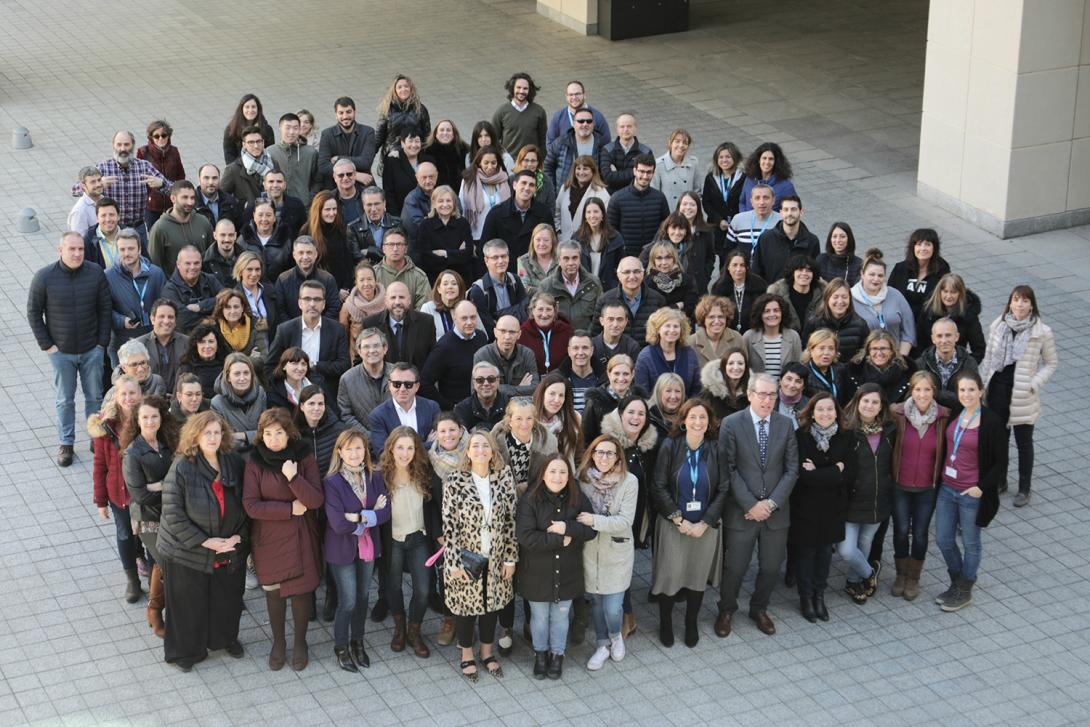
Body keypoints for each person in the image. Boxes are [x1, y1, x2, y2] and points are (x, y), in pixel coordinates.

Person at [159, 411, 248, 672]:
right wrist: (206, 542)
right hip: (187, 550)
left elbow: (247, 500)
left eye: (217, 432)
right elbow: (173, 514)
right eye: (207, 432)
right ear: (195, 436)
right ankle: (185, 651)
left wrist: (237, 536)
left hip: (229, 546)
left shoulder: (233, 461)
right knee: (187, 603)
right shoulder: (182, 466)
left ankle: (224, 638)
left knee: (227, 598)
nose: (212, 437)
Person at [715, 373, 799, 639]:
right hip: (743, 512)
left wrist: (771, 503)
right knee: (735, 567)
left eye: (772, 395)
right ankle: (726, 610)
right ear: (749, 395)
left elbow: (792, 469)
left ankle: (759, 608)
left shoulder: (785, 425)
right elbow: (727, 468)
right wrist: (751, 504)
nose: (767, 400)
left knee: (771, 567)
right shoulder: (731, 423)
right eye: (762, 394)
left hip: (775, 512)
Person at [243, 408, 324, 671]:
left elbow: (314, 500)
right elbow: (251, 505)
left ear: (289, 433)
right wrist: (289, 509)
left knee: (300, 592)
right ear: (261, 435)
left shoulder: (303, 456)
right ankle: (278, 643)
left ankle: (301, 642)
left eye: (279, 432)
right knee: (274, 593)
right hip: (269, 537)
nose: (273, 438)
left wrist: (293, 477)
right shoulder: (254, 461)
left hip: (300, 536)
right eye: (268, 433)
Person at [27, 231, 112, 466]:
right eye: (72, 249)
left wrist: (101, 343)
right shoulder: (44, 277)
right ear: (60, 250)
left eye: (80, 249)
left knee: (94, 397)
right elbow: (34, 313)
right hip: (61, 353)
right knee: (64, 400)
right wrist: (48, 346)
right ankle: (66, 443)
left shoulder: (95, 272)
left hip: (91, 350)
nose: (77, 254)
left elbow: (105, 308)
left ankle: (96, 437)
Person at [442, 430, 519, 682]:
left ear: (493, 451)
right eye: (475, 446)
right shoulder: (454, 480)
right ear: (467, 451)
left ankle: (487, 652)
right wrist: (453, 563)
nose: (480, 451)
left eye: (485, 446)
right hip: (466, 558)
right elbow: (449, 525)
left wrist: (510, 557)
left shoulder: (504, 476)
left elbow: (511, 520)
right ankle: (466, 654)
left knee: (491, 607)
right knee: (466, 608)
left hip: (496, 557)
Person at [650, 399, 728, 647]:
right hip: (674, 524)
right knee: (669, 575)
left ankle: (691, 622)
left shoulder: (716, 448)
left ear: (710, 422)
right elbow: (658, 485)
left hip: (704, 526)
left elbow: (724, 488)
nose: (697, 422)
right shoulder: (670, 446)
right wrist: (677, 518)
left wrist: (705, 522)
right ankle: (665, 622)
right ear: (683, 420)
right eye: (692, 417)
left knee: (696, 575)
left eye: (702, 417)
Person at [932, 371, 1007, 611]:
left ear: (981, 392)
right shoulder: (956, 412)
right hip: (947, 487)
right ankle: (957, 581)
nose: (966, 394)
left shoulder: (991, 422)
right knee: (943, 539)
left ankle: (965, 588)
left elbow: (1000, 462)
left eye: (971, 390)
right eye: (962, 390)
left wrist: (981, 488)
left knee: (971, 543)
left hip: (970, 493)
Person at [516, 454, 596, 679]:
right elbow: (525, 536)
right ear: (543, 473)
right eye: (552, 471)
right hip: (537, 572)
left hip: (568, 570)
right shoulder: (530, 499)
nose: (557, 476)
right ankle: (540, 654)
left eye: (562, 472)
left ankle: (557, 655)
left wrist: (566, 527)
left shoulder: (577, 496)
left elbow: (591, 530)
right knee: (540, 617)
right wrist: (559, 540)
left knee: (561, 616)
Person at [979, 285, 1057, 508]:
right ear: (1010, 302)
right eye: (1016, 300)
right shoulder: (999, 326)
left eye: (1025, 301)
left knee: (1024, 443)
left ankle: (1024, 488)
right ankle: (1000, 481)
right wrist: (982, 385)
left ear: (1032, 304)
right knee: (999, 441)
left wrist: (1034, 384)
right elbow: (989, 356)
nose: (1020, 305)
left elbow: (1051, 363)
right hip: (996, 393)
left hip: (1023, 395)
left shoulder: (1042, 332)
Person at [323, 428, 390, 672]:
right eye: (349, 449)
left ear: (365, 451)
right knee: (348, 601)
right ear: (340, 452)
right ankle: (341, 646)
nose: (354, 453)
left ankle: (357, 641)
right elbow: (338, 523)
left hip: (368, 549)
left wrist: (358, 516)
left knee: (363, 598)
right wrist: (369, 515)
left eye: (359, 448)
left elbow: (386, 512)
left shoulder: (375, 476)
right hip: (342, 550)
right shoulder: (332, 482)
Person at [789, 392, 853, 622]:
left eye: (829, 409)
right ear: (812, 413)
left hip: (833, 507)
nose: (825, 413)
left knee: (825, 553)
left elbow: (850, 474)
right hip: (805, 506)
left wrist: (817, 471)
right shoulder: (801, 436)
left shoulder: (847, 437)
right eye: (820, 409)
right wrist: (835, 469)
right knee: (806, 553)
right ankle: (805, 597)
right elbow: (802, 476)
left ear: (836, 411)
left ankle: (819, 595)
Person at [576, 434, 637, 670]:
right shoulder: (582, 480)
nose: (604, 457)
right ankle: (602, 645)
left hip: (617, 551)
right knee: (597, 604)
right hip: (590, 551)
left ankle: (615, 636)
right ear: (592, 454)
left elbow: (624, 521)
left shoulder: (629, 481)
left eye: (610, 453)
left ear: (617, 457)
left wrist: (594, 520)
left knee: (613, 607)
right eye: (599, 452)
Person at [379, 427, 440, 658]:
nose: (405, 453)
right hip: (393, 540)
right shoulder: (381, 476)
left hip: (419, 539)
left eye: (410, 448)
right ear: (391, 448)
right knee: (393, 587)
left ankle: (415, 630)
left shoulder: (423, 472)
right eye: (400, 447)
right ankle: (399, 629)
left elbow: (433, 505)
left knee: (423, 590)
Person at [889, 371, 949, 601]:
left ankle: (914, 578)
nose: (922, 394)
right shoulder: (898, 414)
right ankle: (901, 574)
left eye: (927, 389)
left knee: (921, 534)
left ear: (934, 392)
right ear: (911, 391)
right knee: (902, 530)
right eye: (917, 389)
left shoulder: (944, 418)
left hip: (927, 487)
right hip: (900, 485)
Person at [122, 395, 178, 637]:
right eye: (145, 417)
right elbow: (141, 495)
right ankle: (155, 609)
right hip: (148, 518)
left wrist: (158, 485)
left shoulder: (167, 442)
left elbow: (179, 476)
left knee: (161, 563)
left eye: (154, 416)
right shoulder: (133, 453)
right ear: (137, 419)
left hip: (172, 514)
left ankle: (156, 610)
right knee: (166, 561)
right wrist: (168, 488)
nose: (150, 421)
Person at [89, 376, 145, 602]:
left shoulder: (150, 417)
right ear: (116, 396)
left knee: (147, 534)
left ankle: (153, 574)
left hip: (144, 492)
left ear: (140, 394)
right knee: (125, 535)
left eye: (133, 393)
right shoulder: (106, 425)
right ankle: (133, 581)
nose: (129, 398)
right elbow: (100, 465)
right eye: (124, 394)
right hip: (119, 492)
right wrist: (100, 501)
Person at [838, 383, 896, 604]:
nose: (869, 406)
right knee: (846, 549)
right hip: (851, 501)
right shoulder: (846, 429)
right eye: (865, 401)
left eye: (875, 402)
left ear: (881, 406)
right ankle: (869, 573)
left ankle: (853, 582)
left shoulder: (890, 429)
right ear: (857, 402)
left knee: (865, 543)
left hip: (878, 498)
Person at [71, 130, 173, 244]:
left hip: (138, 228)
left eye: (126, 144)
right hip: (114, 229)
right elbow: (75, 190)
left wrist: (162, 184)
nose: (122, 149)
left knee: (143, 259)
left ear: (133, 146)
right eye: (119, 144)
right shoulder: (103, 168)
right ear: (113, 146)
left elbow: (175, 190)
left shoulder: (144, 166)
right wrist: (98, 184)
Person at [265, 279, 351, 406]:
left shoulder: (337, 329)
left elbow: (344, 365)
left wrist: (314, 365)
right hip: (291, 398)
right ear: (300, 303)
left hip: (327, 397)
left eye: (317, 299)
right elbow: (269, 367)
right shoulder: (285, 330)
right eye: (307, 299)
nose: (312, 304)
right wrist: (286, 391)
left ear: (324, 304)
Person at [105, 229, 166, 360]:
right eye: (122, 249)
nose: (126, 253)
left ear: (139, 249)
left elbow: (165, 304)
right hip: (122, 342)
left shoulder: (156, 274)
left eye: (131, 249)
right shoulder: (107, 276)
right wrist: (121, 321)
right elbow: (103, 309)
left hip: (152, 341)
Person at [421, 301, 489, 409]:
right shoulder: (444, 347)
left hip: (482, 405)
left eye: (473, 317)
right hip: (457, 410)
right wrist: (450, 407)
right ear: (454, 318)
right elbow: (425, 383)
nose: (469, 322)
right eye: (464, 318)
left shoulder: (481, 338)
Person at [851, 248, 916, 356]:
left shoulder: (895, 295)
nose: (876, 279)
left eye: (880, 275)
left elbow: (909, 331)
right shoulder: (851, 299)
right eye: (871, 274)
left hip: (897, 357)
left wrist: (901, 358)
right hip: (867, 360)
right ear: (862, 274)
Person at [481, 170, 554, 262]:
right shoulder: (496, 213)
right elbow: (484, 248)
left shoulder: (544, 212)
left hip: (535, 268)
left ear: (535, 189)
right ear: (514, 185)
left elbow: (552, 243)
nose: (527, 188)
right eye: (523, 183)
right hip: (505, 269)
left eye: (531, 185)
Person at [368, 364, 441, 456]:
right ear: (390, 385)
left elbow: (440, 443)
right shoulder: (377, 416)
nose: (402, 389)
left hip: (428, 467)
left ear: (417, 386)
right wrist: (425, 445)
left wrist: (397, 449)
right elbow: (383, 453)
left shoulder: (432, 408)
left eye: (408, 385)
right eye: (397, 384)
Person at [361, 281, 436, 370]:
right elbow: (362, 358)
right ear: (386, 301)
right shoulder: (370, 323)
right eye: (393, 297)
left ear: (409, 300)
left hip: (418, 381)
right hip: (382, 382)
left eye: (402, 297)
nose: (397, 302)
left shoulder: (426, 322)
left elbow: (433, 358)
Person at [591, 257, 667, 344]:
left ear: (643, 274)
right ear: (619, 276)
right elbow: (595, 334)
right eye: (627, 272)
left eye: (636, 271)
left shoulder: (658, 300)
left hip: (648, 355)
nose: (632, 276)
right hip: (615, 355)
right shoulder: (605, 300)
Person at [607, 154, 670, 256]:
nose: (645, 176)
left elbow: (666, 228)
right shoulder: (617, 198)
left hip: (653, 256)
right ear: (634, 171)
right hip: (626, 257)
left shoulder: (660, 198)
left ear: (653, 173)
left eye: (649, 172)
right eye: (641, 171)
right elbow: (610, 232)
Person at [918, 273, 986, 363]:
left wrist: (964, 366)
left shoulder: (968, 315)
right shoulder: (928, 310)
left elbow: (979, 350)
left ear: (960, 293)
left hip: (956, 367)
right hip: (930, 364)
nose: (949, 296)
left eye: (953, 292)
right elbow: (919, 339)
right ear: (939, 292)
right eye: (945, 291)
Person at [302, 191, 361, 294]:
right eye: (327, 209)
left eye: (334, 209)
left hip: (345, 290)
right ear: (318, 210)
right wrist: (335, 290)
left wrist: (346, 287)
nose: (332, 213)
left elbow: (347, 261)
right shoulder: (307, 232)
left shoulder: (340, 228)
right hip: (321, 290)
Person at [887, 228, 951, 323]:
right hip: (902, 321)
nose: (923, 248)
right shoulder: (901, 268)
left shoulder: (942, 270)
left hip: (928, 324)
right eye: (919, 244)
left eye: (928, 244)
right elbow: (890, 294)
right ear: (913, 247)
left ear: (934, 248)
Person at [539, 240, 604, 332]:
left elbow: (600, 315)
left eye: (574, 258)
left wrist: (588, 337)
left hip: (587, 340)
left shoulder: (593, 283)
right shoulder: (546, 286)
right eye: (566, 258)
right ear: (559, 261)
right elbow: (540, 317)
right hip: (558, 339)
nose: (571, 263)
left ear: (580, 259)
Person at [634, 308, 700, 396]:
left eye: (676, 326)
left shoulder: (689, 354)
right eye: (667, 326)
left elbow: (696, 388)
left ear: (681, 330)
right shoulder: (645, 357)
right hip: (654, 408)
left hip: (685, 408)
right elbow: (642, 392)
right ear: (657, 329)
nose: (672, 330)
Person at [916, 318, 980, 409]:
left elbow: (971, 397)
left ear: (957, 337)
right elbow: (916, 396)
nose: (944, 340)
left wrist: (935, 393)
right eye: (939, 336)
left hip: (960, 413)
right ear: (933, 339)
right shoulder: (921, 363)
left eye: (948, 335)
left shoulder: (969, 362)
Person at [273, 236, 341, 321]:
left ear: (316, 254)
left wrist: (316, 326)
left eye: (309, 253)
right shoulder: (283, 279)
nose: (305, 257)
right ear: (294, 255)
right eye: (301, 253)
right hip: (291, 332)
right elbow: (279, 310)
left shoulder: (328, 279)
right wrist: (293, 328)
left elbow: (334, 308)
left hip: (321, 330)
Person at [802, 278, 870, 363]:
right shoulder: (814, 322)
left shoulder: (860, 324)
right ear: (827, 298)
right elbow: (805, 349)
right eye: (835, 297)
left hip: (849, 374)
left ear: (850, 299)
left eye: (844, 297)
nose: (840, 301)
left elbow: (866, 352)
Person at [544, 107, 610, 195]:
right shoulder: (560, 143)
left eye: (589, 121)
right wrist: (553, 191)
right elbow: (547, 167)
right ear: (574, 124)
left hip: (594, 195)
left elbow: (607, 172)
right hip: (566, 194)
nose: (585, 124)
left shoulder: (602, 144)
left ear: (593, 124)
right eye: (581, 121)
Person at [468, 239, 529, 331]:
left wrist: (497, 315)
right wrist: (514, 312)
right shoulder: (478, 290)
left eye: (503, 256)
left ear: (508, 257)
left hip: (518, 334)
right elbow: (487, 328)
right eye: (495, 257)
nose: (500, 261)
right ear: (486, 260)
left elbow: (525, 312)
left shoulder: (515, 280)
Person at [415, 185, 474, 282]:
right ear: (434, 203)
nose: (445, 204)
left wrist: (445, 253)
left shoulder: (463, 223)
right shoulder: (425, 225)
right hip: (435, 279)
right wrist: (457, 254)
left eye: (448, 201)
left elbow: (468, 253)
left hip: (461, 278)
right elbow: (425, 257)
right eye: (440, 201)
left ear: (454, 203)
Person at [581, 354, 644, 445]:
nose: (621, 378)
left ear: (632, 374)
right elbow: (585, 439)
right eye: (616, 373)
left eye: (626, 374)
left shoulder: (640, 400)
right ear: (608, 373)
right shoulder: (595, 401)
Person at [211, 353, 267, 451]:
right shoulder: (217, 403)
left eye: (246, 373)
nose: (242, 378)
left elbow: (267, 432)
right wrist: (255, 436)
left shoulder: (260, 393)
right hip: (234, 458)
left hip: (262, 454)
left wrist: (243, 435)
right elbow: (223, 440)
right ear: (228, 377)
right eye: (237, 374)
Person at [317, 96, 377, 189]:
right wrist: (355, 175)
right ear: (336, 115)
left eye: (348, 112)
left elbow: (366, 162)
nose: (345, 116)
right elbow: (323, 166)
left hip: (363, 187)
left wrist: (338, 158)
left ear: (355, 112)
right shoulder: (327, 134)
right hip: (336, 188)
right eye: (341, 113)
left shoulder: (368, 132)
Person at [337, 329, 392, 428]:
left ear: (385, 348)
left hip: (397, 439)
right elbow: (346, 415)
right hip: (364, 441)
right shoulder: (347, 379)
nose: (371, 350)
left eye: (376, 345)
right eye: (366, 347)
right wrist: (370, 438)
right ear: (359, 351)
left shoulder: (398, 374)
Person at [162, 246, 224, 334]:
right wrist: (207, 320)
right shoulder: (170, 290)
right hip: (186, 340)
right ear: (178, 264)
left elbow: (227, 298)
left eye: (196, 263)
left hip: (215, 336)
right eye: (188, 263)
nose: (192, 267)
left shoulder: (210, 279)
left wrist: (201, 306)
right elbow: (180, 319)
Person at [137, 120, 186, 231]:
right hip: (152, 206)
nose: (161, 139)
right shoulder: (143, 152)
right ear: (151, 138)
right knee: (153, 234)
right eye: (156, 136)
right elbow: (139, 177)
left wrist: (176, 192)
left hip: (171, 203)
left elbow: (181, 176)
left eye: (164, 135)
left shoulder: (174, 151)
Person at [474, 315, 540, 397]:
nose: (507, 337)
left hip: (521, 407)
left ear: (519, 335)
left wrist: (500, 389)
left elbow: (535, 388)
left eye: (512, 332)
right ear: (495, 332)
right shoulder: (482, 355)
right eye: (503, 331)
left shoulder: (527, 354)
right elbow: (478, 391)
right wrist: (519, 388)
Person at [844, 329, 916, 404]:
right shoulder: (855, 370)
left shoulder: (908, 370)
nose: (879, 353)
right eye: (874, 349)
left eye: (883, 348)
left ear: (892, 351)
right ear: (868, 351)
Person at [702, 141, 746, 260]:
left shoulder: (744, 178)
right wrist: (719, 220)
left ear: (735, 158)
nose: (724, 160)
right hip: (718, 227)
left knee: (738, 258)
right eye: (721, 157)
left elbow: (746, 202)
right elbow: (706, 202)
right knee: (723, 259)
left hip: (738, 227)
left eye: (728, 156)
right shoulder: (711, 178)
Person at [742, 293, 802, 380]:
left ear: (782, 313)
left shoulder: (793, 336)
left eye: (776, 310)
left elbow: (798, 367)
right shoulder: (749, 336)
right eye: (767, 311)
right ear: (760, 314)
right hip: (757, 391)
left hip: (785, 391)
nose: (772, 314)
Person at [459, 145, 512, 243]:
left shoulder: (504, 179)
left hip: (501, 235)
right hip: (476, 235)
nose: (490, 167)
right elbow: (461, 208)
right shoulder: (468, 181)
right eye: (486, 163)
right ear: (479, 163)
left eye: (493, 163)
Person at [572, 197, 624, 291]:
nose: (592, 215)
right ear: (584, 216)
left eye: (596, 211)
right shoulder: (576, 239)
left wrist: (615, 284)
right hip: (584, 290)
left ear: (602, 214)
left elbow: (621, 266)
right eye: (588, 212)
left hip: (609, 289)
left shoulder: (615, 237)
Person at [268, 113, 321, 206]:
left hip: (304, 206)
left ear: (299, 129)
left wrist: (311, 198)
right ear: (280, 128)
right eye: (287, 128)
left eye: (295, 128)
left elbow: (318, 180)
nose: (291, 132)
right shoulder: (270, 152)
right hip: (276, 206)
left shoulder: (310, 153)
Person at [233, 251, 281, 350]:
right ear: (241, 270)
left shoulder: (270, 291)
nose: (254, 274)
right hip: (248, 350)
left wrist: (269, 324)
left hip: (272, 346)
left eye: (257, 269)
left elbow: (279, 316)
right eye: (249, 269)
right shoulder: (234, 296)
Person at [491, 72, 548, 157]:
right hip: (509, 164)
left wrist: (540, 165)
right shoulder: (501, 112)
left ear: (530, 90)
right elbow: (493, 139)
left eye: (525, 88)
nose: (521, 91)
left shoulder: (539, 112)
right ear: (512, 88)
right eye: (518, 87)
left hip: (531, 162)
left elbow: (543, 140)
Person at [711, 250, 768, 332]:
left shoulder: (759, 285)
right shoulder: (718, 288)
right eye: (734, 265)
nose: (738, 269)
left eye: (742, 265)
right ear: (728, 267)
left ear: (747, 267)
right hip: (727, 332)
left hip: (754, 332)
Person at [375, 74, 432, 157]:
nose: (403, 89)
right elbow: (378, 137)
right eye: (400, 87)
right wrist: (368, 157)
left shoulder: (420, 109)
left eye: (406, 86)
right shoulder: (387, 109)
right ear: (394, 90)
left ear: (411, 89)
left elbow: (427, 136)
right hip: (391, 156)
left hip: (414, 155)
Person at [533, 373, 584, 465]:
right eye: (552, 394)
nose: (557, 400)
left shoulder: (574, 418)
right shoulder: (529, 417)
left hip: (563, 475)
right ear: (542, 393)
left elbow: (578, 454)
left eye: (561, 395)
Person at [374, 228, 431, 309]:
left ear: (406, 249)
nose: (395, 249)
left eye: (399, 244)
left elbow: (424, 309)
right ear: (383, 248)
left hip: (412, 321)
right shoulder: (373, 274)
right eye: (391, 244)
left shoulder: (419, 276)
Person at [221, 126, 278, 206]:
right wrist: (240, 205)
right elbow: (221, 195)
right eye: (251, 142)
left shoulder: (273, 163)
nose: (256, 146)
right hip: (246, 215)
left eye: (258, 141)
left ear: (263, 142)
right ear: (244, 144)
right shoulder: (233, 169)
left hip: (270, 214)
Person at [726, 183, 781, 267]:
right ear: (751, 201)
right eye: (757, 198)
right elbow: (728, 250)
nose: (761, 202)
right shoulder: (738, 219)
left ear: (773, 200)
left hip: (771, 275)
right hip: (744, 275)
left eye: (766, 198)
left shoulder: (782, 221)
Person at [339, 263, 386, 359]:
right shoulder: (348, 306)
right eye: (362, 280)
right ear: (356, 282)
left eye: (369, 279)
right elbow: (343, 335)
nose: (366, 284)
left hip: (383, 355)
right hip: (357, 357)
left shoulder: (387, 302)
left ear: (375, 280)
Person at [767, 255, 825, 333]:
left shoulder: (823, 294)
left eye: (808, 271)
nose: (804, 273)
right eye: (800, 270)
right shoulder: (776, 294)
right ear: (792, 272)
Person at [519, 292, 573, 375]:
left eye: (548, 309)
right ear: (532, 310)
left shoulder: (566, 331)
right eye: (540, 309)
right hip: (532, 382)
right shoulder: (522, 333)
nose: (544, 315)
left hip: (561, 380)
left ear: (555, 311)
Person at [419, 270, 482, 341]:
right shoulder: (428, 308)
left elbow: (481, 335)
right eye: (445, 284)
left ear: (460, 288)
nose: (450, 287)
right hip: (437, 351)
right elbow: (422, 339)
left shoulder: (468, 307)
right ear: (439, 289)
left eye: (454, 284)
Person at [546, 80, 611, 146]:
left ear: (584, 95)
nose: (574, 97)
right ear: (566, 97)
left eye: (577, 94)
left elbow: (607, 144)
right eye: (571, 94)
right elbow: (550, 143)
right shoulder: (558, 117)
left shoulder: (597, 117)